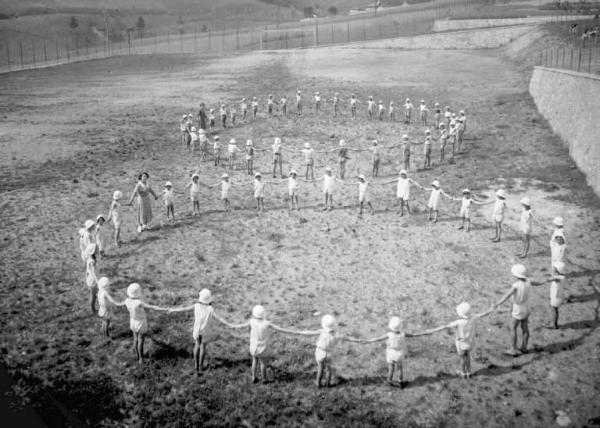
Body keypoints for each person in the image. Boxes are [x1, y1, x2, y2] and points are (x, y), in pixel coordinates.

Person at [418, 302, 493, 378]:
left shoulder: (459, 322)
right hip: (470, 343)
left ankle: (463, 373)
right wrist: (491, 309)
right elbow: (483, 314)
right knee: (467, 356)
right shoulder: (474, 317)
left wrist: (430, 331)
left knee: (462, 358)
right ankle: (469, 372)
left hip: (461, 344)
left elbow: (445, 326)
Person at [228, 305, 301, 383]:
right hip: (263, 349)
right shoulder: (267, 323)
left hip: (253, 348)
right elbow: (280, 329)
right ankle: (264, 379)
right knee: (263, 364)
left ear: (254, 314)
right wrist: (294, 332)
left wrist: (232, 326)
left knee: (254, 361)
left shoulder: (252, 321)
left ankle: (253, 377)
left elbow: (241, 326)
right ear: (263, 314)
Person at [167, 289, 235, 372]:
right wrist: (229, 324)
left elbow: (184, 308)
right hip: (205, 332)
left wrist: (172, 310)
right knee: (203, 347)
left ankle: (196, 365)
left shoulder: (196, 306)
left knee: (196, 346)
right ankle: (201, 366)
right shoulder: (210, 309)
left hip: (197, 331)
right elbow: (219, 318)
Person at [291, 314, 362, 388]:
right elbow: (349, 338)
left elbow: (309, 333)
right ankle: (328, 384)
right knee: (329, 369)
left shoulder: (322, 331)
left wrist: (299, 332)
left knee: (320, 369)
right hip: (329, 354)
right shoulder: (338, 334)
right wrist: (358, 340)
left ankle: (318, 384)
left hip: (320, 353)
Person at [112, 283, 169, 364]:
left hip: (132, 322)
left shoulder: (127, 301)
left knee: (135, 339)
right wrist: (164, 309)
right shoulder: (139, 303)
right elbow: (152, 307)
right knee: (141, 340)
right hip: (141, 323)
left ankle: (136, 355)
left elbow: (119, 303)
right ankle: (141, 358)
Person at [361, 316, 419, 386]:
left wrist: (367, 341)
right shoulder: (403, 334)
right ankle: (400, 382)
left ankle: (389, 381)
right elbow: (413, 335)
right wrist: (424, 333)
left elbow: (378, 339)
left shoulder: (389, 334)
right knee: (400, 369)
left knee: (391, 369)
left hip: (391, 354)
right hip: (399, 354)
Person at [493, 264, 532, 356]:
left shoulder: (516, 285)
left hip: (518, 309)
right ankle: (524, 347)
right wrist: (544, 281)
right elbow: (536, 282)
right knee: (525, 328)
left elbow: (506, 296)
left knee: (513, 328)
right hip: (526, 307)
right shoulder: (528, 281)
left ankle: (513, 349)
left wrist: (497, 303)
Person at [84, 243, 99, 314]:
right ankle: (93, 309)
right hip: (93, 281)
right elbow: (93, 272)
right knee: (93, 296)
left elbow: (87, 271)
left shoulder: (90, 259)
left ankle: (93, 307)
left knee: (93, 295)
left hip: (90, 279)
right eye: (96, 249)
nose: (97, 249)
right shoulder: (92, 261)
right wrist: (97, 281)